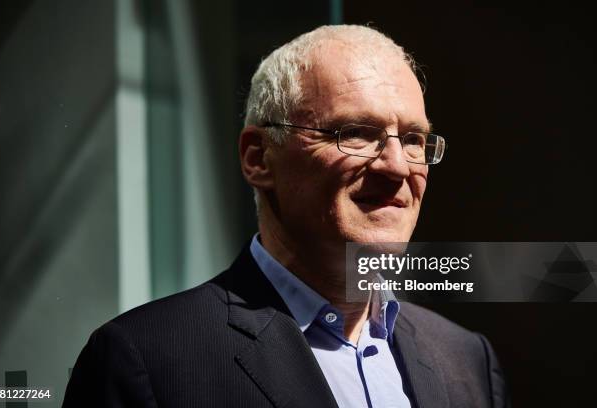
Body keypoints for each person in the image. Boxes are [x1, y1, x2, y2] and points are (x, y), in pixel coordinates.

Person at [63, 25, 509, 408]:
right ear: (258, 157)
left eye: (413, 139)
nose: (397, 167)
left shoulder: (466, 358)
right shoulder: (148, 360)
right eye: (355, 132)